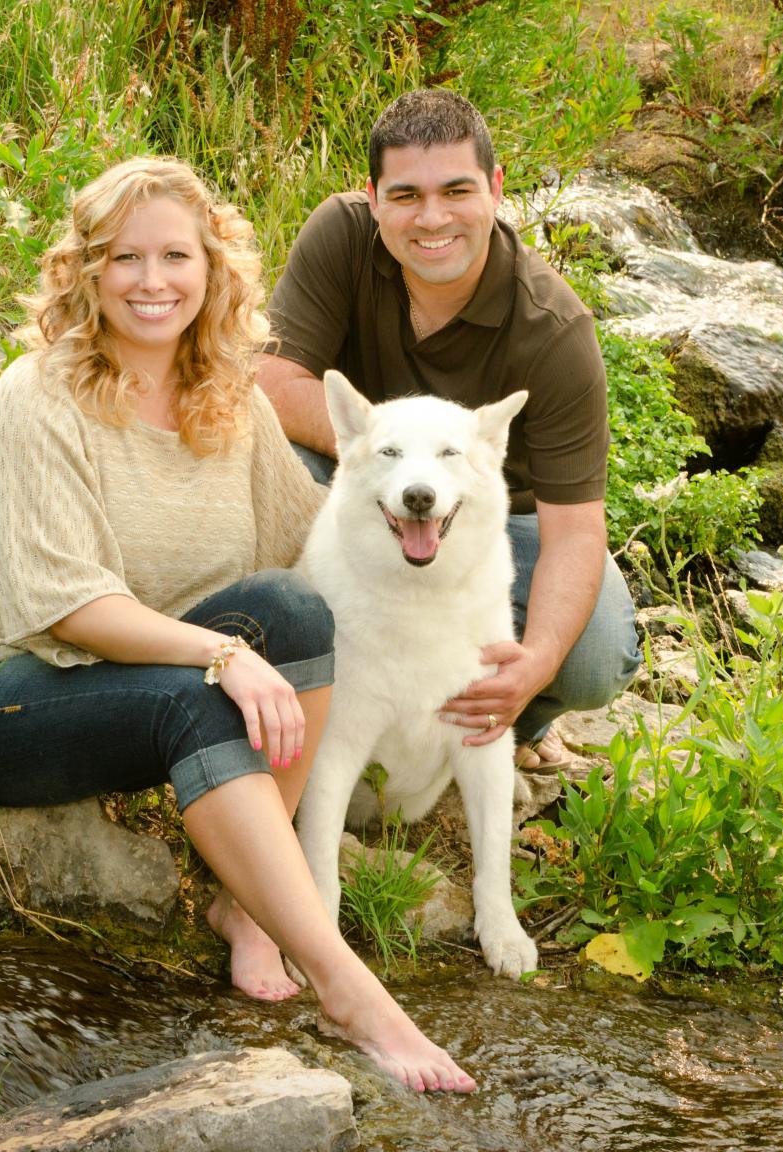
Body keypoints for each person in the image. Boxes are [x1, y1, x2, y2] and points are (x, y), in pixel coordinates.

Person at [0, 157, 475, 1093]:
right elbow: (67, 607)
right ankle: (348, 988)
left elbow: (312, 553)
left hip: (141, 682)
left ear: (212, 269)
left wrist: (463, 625)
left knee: (296, 610)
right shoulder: (37, 396)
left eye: (174, 257)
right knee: (195, 697)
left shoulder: (229, 398)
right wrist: (221, 654)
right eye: (124, 258)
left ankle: (245, 905)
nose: (151, 281)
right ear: (85, 271)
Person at [259, 89, 640, 769]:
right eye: (405, 195)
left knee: (594, 656)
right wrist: (391, 453)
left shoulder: (554, 331)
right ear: (373, 198)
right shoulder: (342, 236)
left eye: (456, 190)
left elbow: (575, 532)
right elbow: (273, 383)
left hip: (496, 518)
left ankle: (503, 722)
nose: (431, 218)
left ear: (495, 189)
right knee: (266, 458)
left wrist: (537, 661)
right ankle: (300, 705)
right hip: (360, 480)